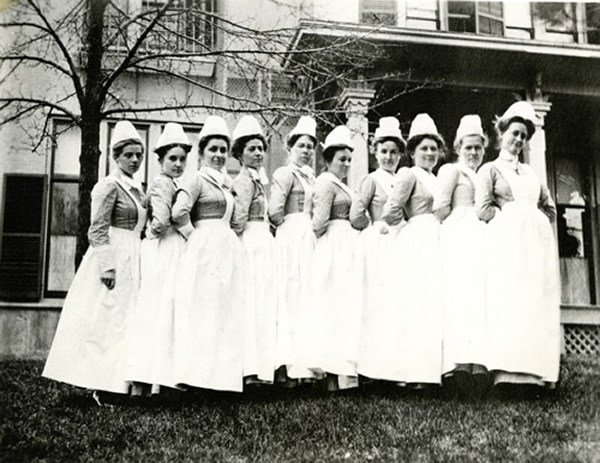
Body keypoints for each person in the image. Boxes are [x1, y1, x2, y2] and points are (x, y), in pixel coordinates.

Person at [43, 121, 147, 404]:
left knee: (126, 321)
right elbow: (97, 229)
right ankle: (101, 385)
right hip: (114, 256)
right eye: (129, 155)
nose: (135, 160)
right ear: (116, 156)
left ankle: (120, 384)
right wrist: (107, 265)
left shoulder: (137, 189)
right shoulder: (108, 186)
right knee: (107, 320)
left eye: (139, 155)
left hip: (133, 256)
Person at [475, 101, 560, 389]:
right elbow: (482, 209)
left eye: (524, 135)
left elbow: (549, 209)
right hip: (506, 248)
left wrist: (534, 224)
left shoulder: (532, 173)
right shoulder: (490, 169)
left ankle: (534, 374)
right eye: (515, 133)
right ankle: (507, 375)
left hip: (534, 248)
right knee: (510, 302)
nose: (519, 140)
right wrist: (509, 221)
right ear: (502, 133)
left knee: (534, 301)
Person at [171, 115, 244, 393]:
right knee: (203, 313)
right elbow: (178, 212)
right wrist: (196, 236)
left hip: (226, 249)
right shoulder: (196, 180)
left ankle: (219, 379)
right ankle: (197, 379)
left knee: (224, 312)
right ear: (201, 153)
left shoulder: (227, 183)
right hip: (205, 251)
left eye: (223, 150)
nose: (218, 155)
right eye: (212, 149)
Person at [125, 123, 191, 392]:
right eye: (172, 159)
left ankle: (158, 381)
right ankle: (149, 380)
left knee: (167, 309)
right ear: (161, 159)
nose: (177, 164)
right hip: (165, 248)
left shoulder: (173, 182)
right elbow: (162, 221)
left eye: (182, 159)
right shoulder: (163, 183)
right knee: (161, 308)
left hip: (170, 247)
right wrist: (150, 236)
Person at [382, 113, 444, 387]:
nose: (430, 153)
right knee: (416, 304)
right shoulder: (409, 174)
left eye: (433, 148)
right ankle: (411, 374)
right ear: (413, 151)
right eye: (424, 148)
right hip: (417, 240)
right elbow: (391, 210)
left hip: (437, 239)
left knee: (433, 304)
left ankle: (432, 372)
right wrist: (410, 227)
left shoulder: (439, 177)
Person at [302, 125, 361, 390]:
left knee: (345, 307)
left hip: (345, 245)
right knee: (333, 306)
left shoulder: (341, 184)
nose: (346, 164)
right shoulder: (325, 183)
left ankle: (344, 374)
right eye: (341, 159)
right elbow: (318, 223)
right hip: (333, 247)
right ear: (328, 160)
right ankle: (332, 375)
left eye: (349, 159)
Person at [433, 115, 488, 390]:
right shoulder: (450, 171)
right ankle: (457, 365)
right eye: (468, 147)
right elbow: (440, 208)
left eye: (478, 147)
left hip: (479, 238)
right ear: (458, 147)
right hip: (458, 237)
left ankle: (477, 363)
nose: (473, 152)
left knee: (477, 298)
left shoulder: (484, 174)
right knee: (457, 296)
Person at [350, 117, 407, 381]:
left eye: (394, 152)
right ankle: (372, 370)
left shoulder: (403, 179)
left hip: (400, 243)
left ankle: (395, 368)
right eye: (383, 151)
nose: (388, 157)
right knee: (377, 303)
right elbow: (356, 214)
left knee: (397, 303)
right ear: (375, 152)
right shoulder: (371, 180)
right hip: (378, 245)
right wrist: (374, 227)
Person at [268, 116, 317, 384]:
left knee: (307, 295)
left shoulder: (311, 176)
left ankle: (306, 367)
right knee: (291, 293)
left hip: (307, 236)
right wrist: (290, 230)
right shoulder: (285, 173)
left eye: (310, 146)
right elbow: (274, 211)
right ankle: (289, 369)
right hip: (291, 236)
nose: (307, 151)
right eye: (301, 146)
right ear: (290, 148)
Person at [231, 116, 278, 386]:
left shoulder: (259, 180)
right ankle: (248, 370)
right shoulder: (244, 181)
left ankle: (260, 369)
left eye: (261, 148)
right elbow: (238, 220)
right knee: (250, 301)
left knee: (262, 302)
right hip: (250, 242)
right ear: (240, 154)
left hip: (262, 241)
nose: (258, 153)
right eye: (252, 149)